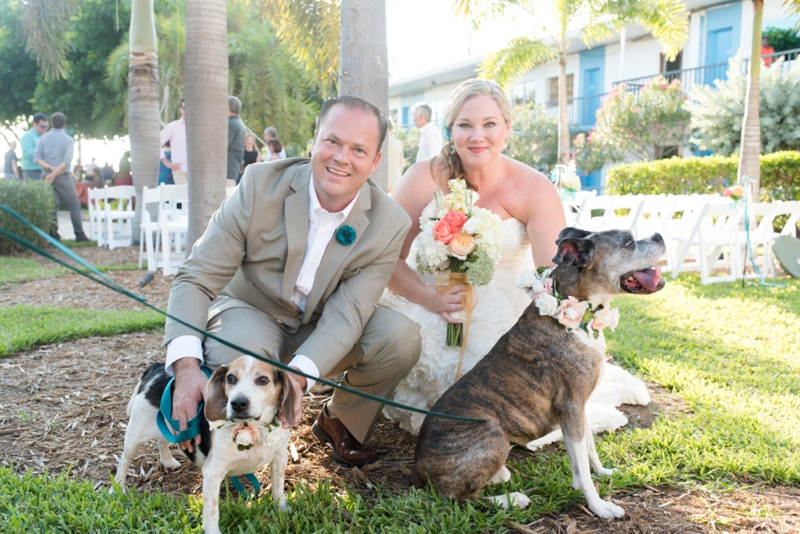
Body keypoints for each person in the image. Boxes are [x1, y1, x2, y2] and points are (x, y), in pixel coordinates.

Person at [382, 79, 651, 436]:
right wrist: (430, 299)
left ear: (507, 128)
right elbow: (386, 259)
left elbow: (559, 277)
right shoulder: (422, 177)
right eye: (465, 125)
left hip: (506, 312)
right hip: (429, 300)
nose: (478, 136)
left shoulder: (533, 187)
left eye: (490, 124)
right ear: (451, 130)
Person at [164, 95, 421, 467]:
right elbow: (197, 276)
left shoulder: (389, 223)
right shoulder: (258, 185)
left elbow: (348, 314)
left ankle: (341, 421)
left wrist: (298, 380)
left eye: (359, 149)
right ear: (315, 140)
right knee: (242, 354)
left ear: (376, 160)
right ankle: (234, 441)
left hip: (321, 326)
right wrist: (185, 368)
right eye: (332, 141)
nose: (341, 157)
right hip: (249, 311)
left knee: (401, 338)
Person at [33, 112, 90, 242]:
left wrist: (50, 169)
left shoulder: (43, 138)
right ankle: (80, 234)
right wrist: (55, 172)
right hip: (62, 176)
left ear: (52, 123)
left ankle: (53, 234)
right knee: (74, 204)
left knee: (52, 205)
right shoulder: (68, 140)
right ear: (64, 125)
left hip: (46, 175)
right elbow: (66, 161)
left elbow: (36, 158)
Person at [160, 99, 188, 184]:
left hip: (200, 171)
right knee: (183, 197)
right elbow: (156, 142)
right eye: (185, 108)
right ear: (180, 110)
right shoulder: (173, 127)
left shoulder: (201, 126)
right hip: (180, 171)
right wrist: (166, 163)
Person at [20, 113, 48, 181]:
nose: (44, 129)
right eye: (42, 126)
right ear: (34, 124)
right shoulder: (27, 136)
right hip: (31, 171)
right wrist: (43, 152)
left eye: (46, 127)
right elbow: (28, 153)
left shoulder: (45, 136)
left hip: (44, 171)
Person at [227, 96, 246, 188]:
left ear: (228, 108)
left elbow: (223, 146)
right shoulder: (238, 123)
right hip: (232, 170)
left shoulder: (231, 124)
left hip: (227, 171)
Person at [386, 118, 404, 192]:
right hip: (396, 182)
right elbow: (401, 165)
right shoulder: (397, 143)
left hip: (380, 183)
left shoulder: (374, 142)